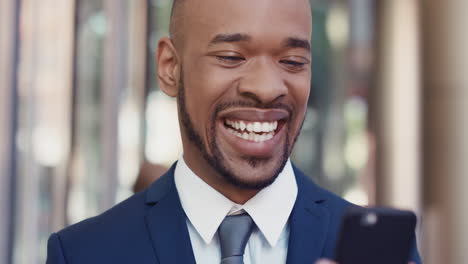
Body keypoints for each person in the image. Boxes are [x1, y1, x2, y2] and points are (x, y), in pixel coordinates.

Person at [46, 0, 422, 263]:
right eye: (231, 57)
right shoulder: (84, 253)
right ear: (169, 67)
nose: (266, 87)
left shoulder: (376, 252)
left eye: (293, 61)